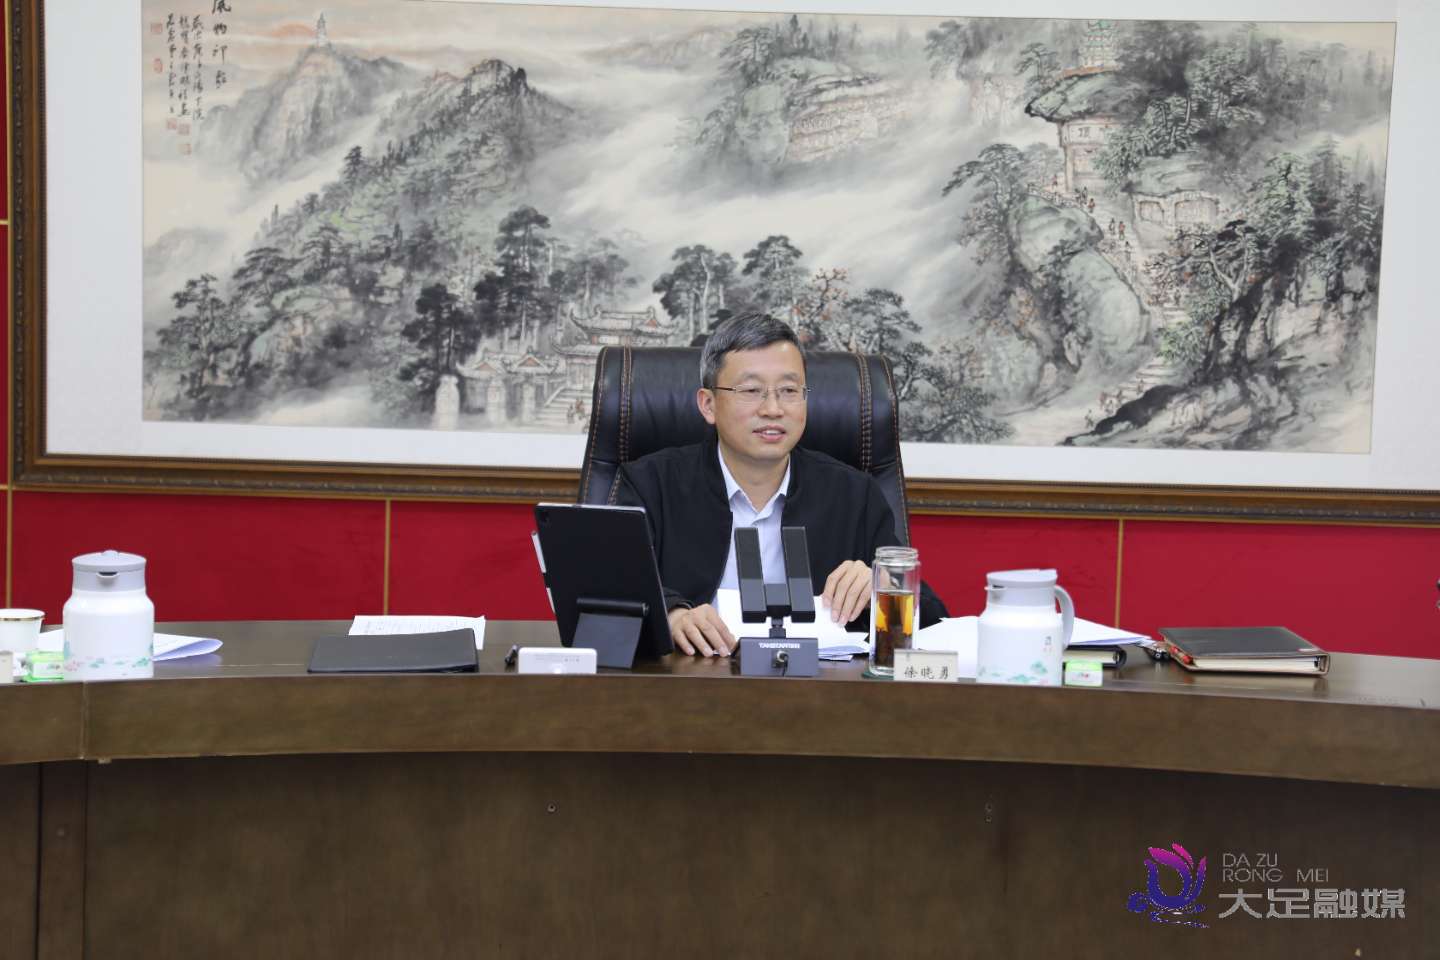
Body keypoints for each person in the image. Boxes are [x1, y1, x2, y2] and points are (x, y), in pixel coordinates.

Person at [613, 313, 947, 657]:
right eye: (751, 391)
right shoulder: (649, 485)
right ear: (708, 405)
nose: (773, 409)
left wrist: (883, 587)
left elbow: (934, 619)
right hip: (689, 680)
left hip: (818, 684)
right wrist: (671, 615)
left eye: (789, 391)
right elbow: (609, 589)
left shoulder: (853, 494)